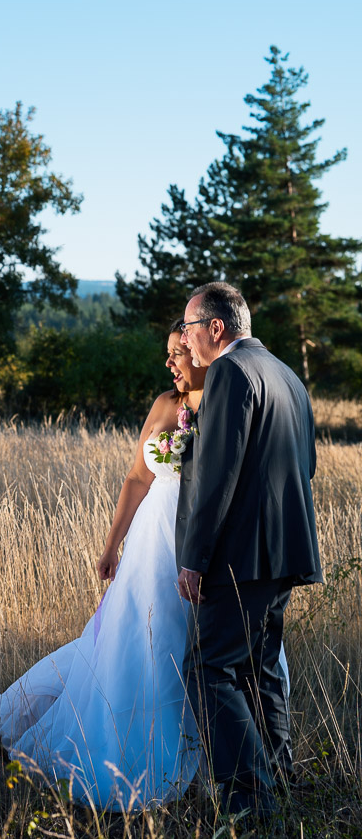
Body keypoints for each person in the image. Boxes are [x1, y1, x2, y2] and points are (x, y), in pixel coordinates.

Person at [0, 322, 207, 810]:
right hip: (150, 543)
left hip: (193, 540)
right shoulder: (164, 405)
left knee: (181, 644)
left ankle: (188, 753)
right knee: (132, 640)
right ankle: (122, 745)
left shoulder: (219, 404)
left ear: (200, 351)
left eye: (177, 352)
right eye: (167, 353)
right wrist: (111, 545)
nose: (169, 362)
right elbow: (137, 478)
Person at [176, 282, 321, 817]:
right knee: (261, 670)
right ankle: (279, 781)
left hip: (239, 555)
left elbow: (217, 475)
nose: (186, 341)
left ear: (216, 328)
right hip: (284, 550)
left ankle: (250, 798)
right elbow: (307, 465)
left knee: (209, 669)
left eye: (189, 328)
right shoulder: (286, 375)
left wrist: (195, 558)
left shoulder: (230, 372)